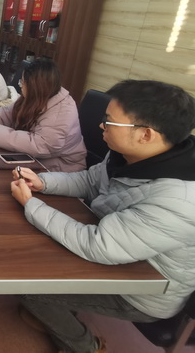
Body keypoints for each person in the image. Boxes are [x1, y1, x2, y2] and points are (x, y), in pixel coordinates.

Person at [11, 80, 195, 353]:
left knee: (31, 288)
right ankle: (63, 308)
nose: (100, 125)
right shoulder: (128, 155)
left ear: (146, 135)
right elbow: (90, 181)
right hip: (118, 253)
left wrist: (31, 204)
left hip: (144, 292)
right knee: (34, 258)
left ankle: (86, 346)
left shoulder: (179, 200)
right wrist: (43, 183)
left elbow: (98, 245)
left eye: (109, 121)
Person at [0, 58, 86, 172]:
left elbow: (39, 145)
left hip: (60, 168)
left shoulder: (62, 112)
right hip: (35, 159)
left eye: (23, 82)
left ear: (35, 87)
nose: (20, 86)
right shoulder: (38, 96)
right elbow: (8, 113)